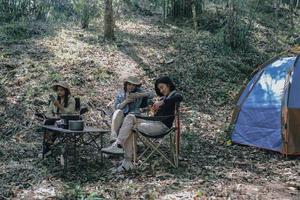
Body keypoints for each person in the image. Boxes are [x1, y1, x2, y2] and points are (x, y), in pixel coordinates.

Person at [101, 76, 183, 172]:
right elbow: (118, 107)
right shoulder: (164, 97)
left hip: (162, 127)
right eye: (159, 88)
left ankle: (126, 161)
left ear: (168, 85)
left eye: (162, 87)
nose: (161, 90)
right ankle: (118, 145)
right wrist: (155, 109)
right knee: (130, 117)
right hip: (154, 123)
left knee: (131, 125)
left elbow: (179, 97)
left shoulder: (173, 95)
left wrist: (162, 102)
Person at [109, 76, 153, 144]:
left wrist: (139, 95)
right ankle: (113, 135)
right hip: (121, 116)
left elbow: (152, 94)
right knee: (118, 112)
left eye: (133, 85)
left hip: (134, 116)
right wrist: (126, 101)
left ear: (136, 86)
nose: (131, 87)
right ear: (126, 84)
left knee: (128, 118)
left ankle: (120, 145)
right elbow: (116, 107)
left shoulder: (139, 91)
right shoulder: (121, 93)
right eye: (129, 84)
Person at [43, 81, 76, 156]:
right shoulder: (55, 99)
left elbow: (69, 113)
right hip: (55, 119)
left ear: (66, 91)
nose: (59, 92)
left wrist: (59, 106)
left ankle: (47, 148)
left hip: (66, 120)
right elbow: (48, 112)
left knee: (58, 124)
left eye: (61, 90)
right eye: (58, 90)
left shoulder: (71, 100)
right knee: (48, 123)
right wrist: (53, 116)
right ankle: (47, 146)